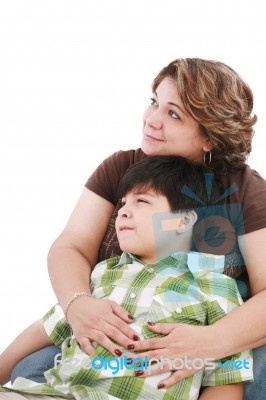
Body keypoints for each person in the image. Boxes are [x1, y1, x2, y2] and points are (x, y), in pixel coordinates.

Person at [7, 58, 266, 400]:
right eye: (154, 102)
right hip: (121, 332)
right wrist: (77, 303)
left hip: (213, 331)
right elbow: (71, 245)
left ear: (210, 137)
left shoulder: (245, 191)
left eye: (173, 114)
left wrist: (209, 343)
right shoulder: (122, 168)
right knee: (29, 369)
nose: (151, 120)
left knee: (257, 377)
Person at [0, 156, 253, 400]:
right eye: (122, 204)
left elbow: (228, 380)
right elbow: (45, 328)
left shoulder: (215, 286)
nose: (123, 212)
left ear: (182, 220)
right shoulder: (103, 273)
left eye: (141, 201)